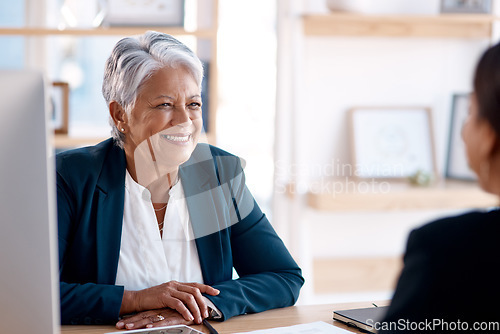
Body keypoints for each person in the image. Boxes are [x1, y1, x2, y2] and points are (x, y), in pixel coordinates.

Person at [56, 31, 304, 329]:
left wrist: (203, 305)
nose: (184, 121)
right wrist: (136, 300)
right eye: (164, 105)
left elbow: (283, 276)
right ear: (120, 113)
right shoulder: (70, 177)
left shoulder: (215, 174)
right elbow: (30, 293)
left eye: (194, 104)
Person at [378, 42, 500, 333]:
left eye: (470, 112)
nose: (463, 129)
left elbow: (286, 274)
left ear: (487, 135)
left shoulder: (447, 251)